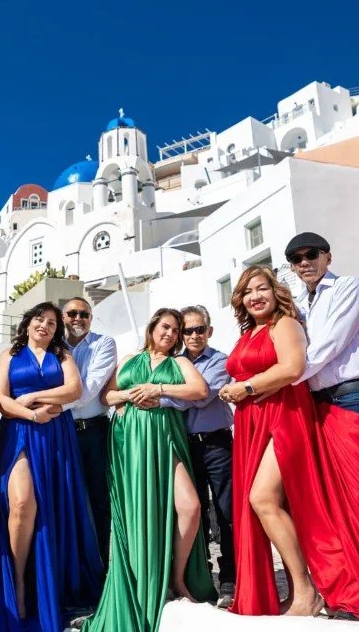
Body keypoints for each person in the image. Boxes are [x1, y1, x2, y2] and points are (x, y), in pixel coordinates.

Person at [0, 303, 103, 632]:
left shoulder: (62, 354)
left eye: (52, 322)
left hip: (57, 436)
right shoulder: (10, 354)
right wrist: (32, 412)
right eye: (39, 319)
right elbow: (0, 399)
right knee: (22, 503)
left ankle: (47, 584)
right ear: (28, 323)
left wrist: (33, 397)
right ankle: (17, 584)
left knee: (53, 508)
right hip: (20, 433)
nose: (45, 326)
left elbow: (75, 389)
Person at [84, 309, 217, 632]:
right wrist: (131, 394)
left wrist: (158, 390)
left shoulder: (180, 363)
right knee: (139, 514)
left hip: (165, 436)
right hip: (129, 441)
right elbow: (108, 395)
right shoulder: (130, 358)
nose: (170, 334)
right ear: (152, 328)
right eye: (165, 327)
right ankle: (144, 580)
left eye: (176, 330)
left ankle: (177, 577)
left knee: (190, 506)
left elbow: (199, 391)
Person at [217, 265, 320, 617]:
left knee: (262, 498)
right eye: (247, 291)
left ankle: (307, 592)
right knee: (271, 503)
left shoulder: (284, 324)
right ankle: (296, 590)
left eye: (261, 288)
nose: (254, 296)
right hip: (251, 421)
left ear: (276, 292)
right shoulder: (248, 334)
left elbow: (293, 368)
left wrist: (246, 387)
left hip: (284, 416)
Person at [285, 232, 359, 425]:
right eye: (296, 259)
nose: (304, 262)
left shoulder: (347, 286)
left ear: (328, 257)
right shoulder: (296, 304)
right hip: (317, 402)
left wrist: (288, 375)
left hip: (354, 397)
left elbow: (332, 340)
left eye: (311, 255)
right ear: (292, 267)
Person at [172, 305, 236, 609]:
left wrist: (170, 394)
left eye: (200, 329)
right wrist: (177, 393)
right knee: (191, 513)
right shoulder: (176, 362)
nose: (194, 335)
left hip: (217, 444)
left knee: (226, 513)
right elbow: (183, 398)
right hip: (187, 446)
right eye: (188, 330)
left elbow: (199, 396)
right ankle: (199, 576)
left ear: (209, 331)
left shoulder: (221, 361)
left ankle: (230, 578)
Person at [60, 296, 117, 574]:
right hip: (60, 432)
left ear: (91, 318)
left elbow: (89, 389)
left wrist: (51, 405)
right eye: (72, 313)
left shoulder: (103, 344)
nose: (78, 318)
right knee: (64, 500)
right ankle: (71, 570)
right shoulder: (54, 348)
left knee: (98, 501)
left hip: (94, 432)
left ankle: (100, 568)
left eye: (84, 314)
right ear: (63, 317)